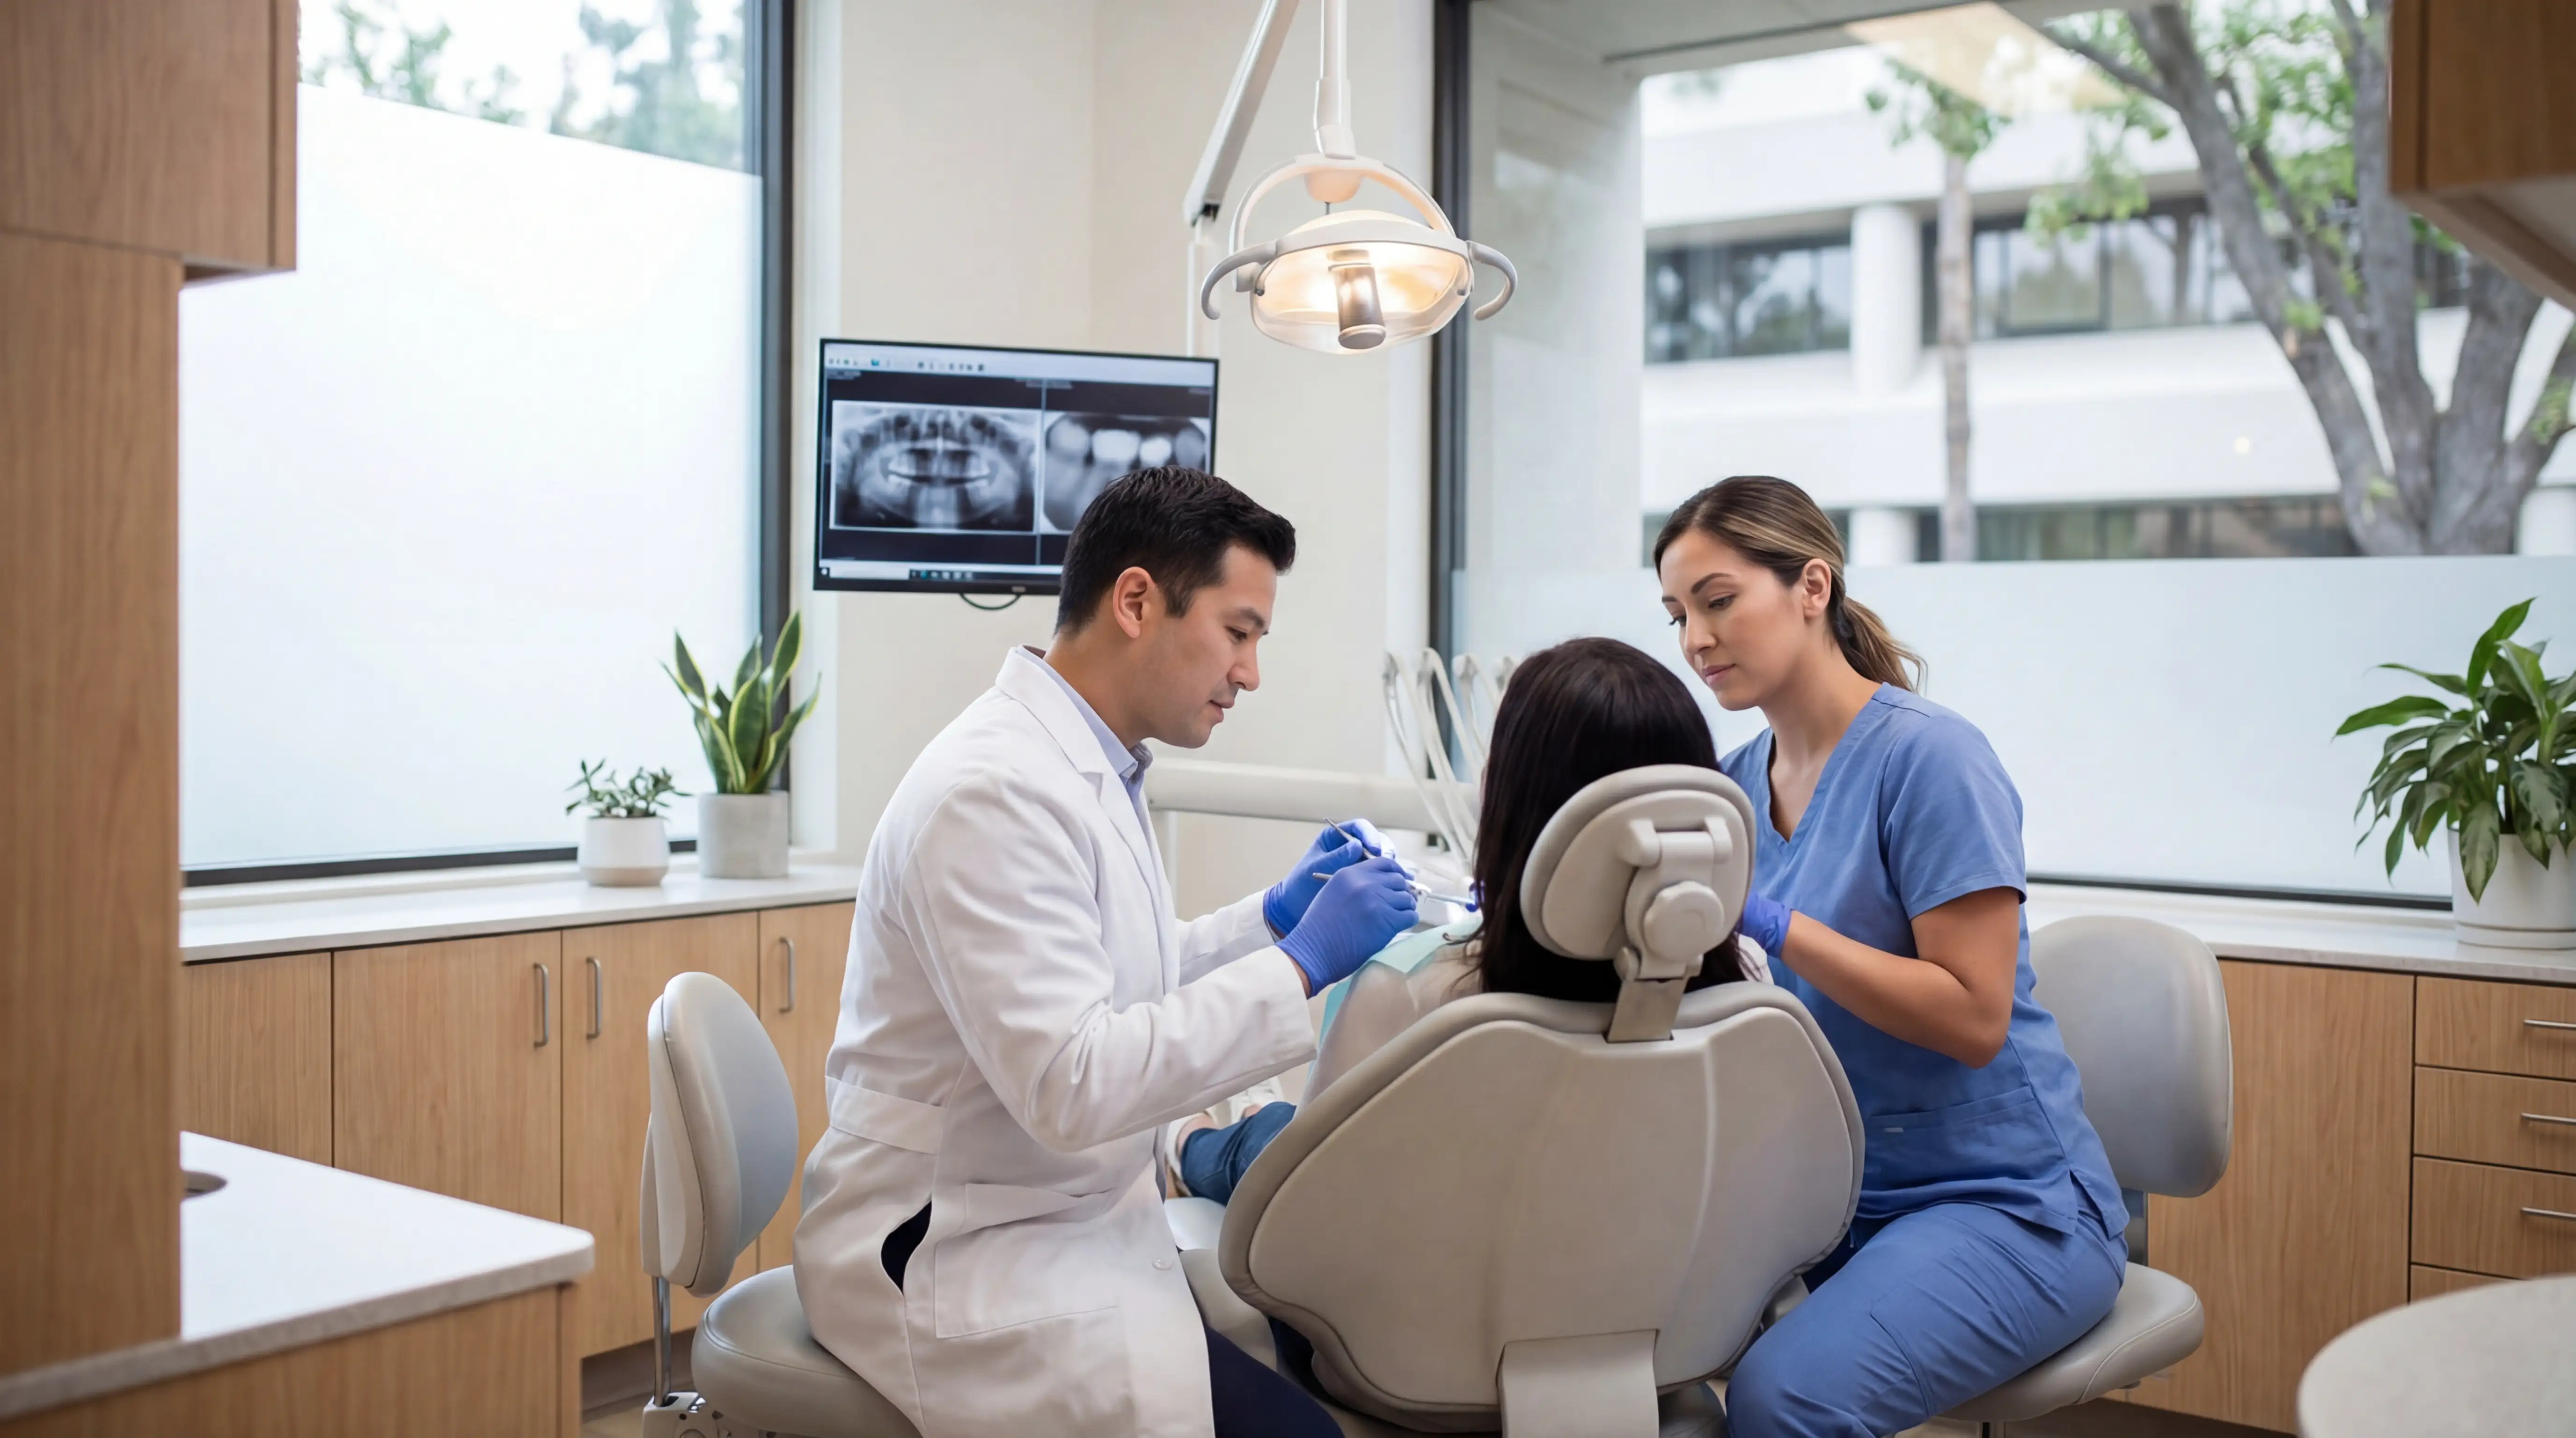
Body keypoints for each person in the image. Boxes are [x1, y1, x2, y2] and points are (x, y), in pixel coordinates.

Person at [794, 466, 1418, 1438]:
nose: (1249, 673)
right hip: (953, 1247)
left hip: (1054, 1215)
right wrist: (1302, 965)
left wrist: (1274, 921)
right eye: (1238, 632)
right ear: (1136, 601)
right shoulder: (993, 791)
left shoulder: (1088, 762)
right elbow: (1073, 1081)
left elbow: (1118, 975)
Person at [1652, 476, 2128, 1438]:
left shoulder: (1930, 761)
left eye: (1717, 601)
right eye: (1675, 615)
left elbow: (1972, 1016)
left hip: (2007, 1205)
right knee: (1611, 1337)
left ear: (1811, 588)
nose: (1695, 640)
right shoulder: (1730, 789)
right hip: (1831, 1201)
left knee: (1786, 1395)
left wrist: (1777, 926)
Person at [1171, 636, 1753, 1207]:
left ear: (1515, 801)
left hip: (1414, 1283)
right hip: (1650, 1287)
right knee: (1271, 1124)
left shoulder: (1416, 992)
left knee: (1258, 1146)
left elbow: (1311, 1202)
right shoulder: (1743, 986)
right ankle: (1240, 1116)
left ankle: (1184, 1138)